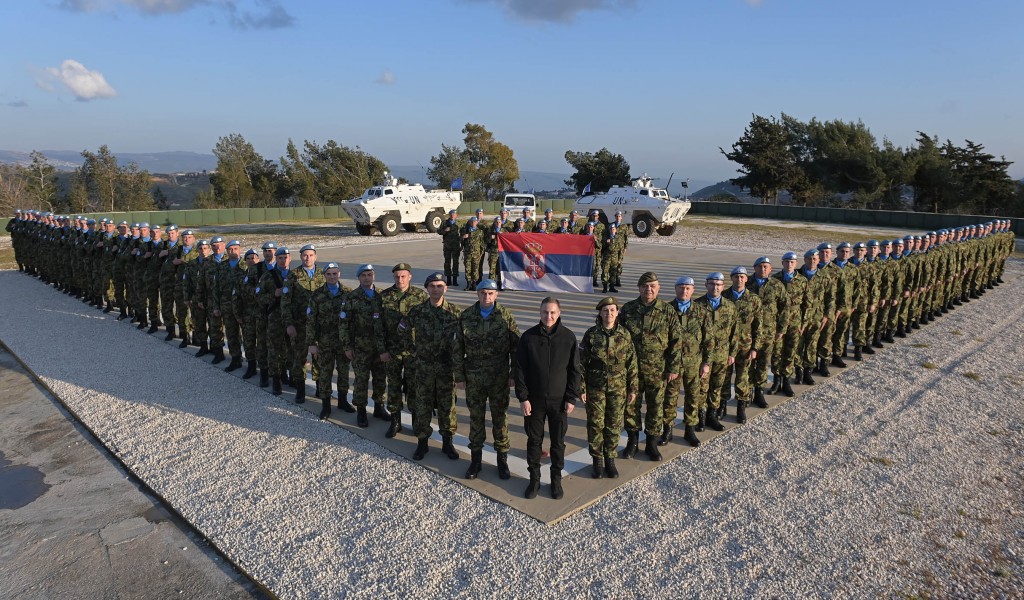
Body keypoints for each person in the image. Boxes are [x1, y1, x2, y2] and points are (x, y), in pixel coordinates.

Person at [453, 279, 520, 480]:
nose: (487, 296)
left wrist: (513, 374)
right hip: (474, 377)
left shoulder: (505, 316)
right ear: (478, 294)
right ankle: (476, 460)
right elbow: (458, 350)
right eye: (483, 293)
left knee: (500, 418)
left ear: (496, 295)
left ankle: (502, 460)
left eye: (491, 293)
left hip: (499, 377)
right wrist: (459, 377)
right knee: (476, 418)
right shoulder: (466, 316)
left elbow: (516, 349)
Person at [515, 297, 581, 500]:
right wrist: (523, 398)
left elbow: (575, 371)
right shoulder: (528, 337)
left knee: (558, 443)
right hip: (534, 402)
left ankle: (555, 480)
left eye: (552, 312)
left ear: (559, 313)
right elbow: (519, 370)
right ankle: (534, 479)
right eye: (545, 312)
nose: (548, 316)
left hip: (559, 402)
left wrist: (571, 398)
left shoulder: (568, 338)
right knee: (534, 441)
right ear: (539, 313)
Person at [400, 272, 463, 460]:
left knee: (447, 407)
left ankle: (447, 443)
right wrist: (413, 351)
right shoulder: (417, 311)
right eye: (432, 286)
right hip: (423, 369)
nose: (436, 289)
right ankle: (422, 443)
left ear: (446, 288)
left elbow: (463, 340)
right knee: (422, 406)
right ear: (427, 289)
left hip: (446, 369)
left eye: (439, 286)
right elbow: (402, 330)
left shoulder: (455, 312)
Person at [620, 271, 681, 461]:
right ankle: (632, 441)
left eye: (653, 286)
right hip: (633, 371)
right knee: (631, 406)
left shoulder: (668, 310)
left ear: (658, 288)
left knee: (656, 406)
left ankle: (652, 443)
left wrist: (673, 368)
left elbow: (676, 342)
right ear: (639, 288)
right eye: (645, 286)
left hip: (658, 370)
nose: (649, 289)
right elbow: (619, 337)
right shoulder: (628, 309)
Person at [580, 297, 637, 478]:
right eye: (605, 311)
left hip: (618, 387)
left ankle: (610, 458)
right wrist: (581, 388)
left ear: (617, 312)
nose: (609, 314)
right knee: (596, 424)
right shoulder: (591, 335)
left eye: (612, 310)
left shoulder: (624, 335)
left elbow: (632, 363)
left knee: (614, 424)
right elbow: (581, 364)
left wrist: (633, 388)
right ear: (600, 313)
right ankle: (597, 460)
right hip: (595, 387)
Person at [377, 262, 429, 437]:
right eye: (397, 276)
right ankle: (395, 421)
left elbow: (426, 324)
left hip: (413, 352)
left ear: (410, 277)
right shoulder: (384, 296)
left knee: (414, 386)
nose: (400, 279)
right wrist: (382, 350)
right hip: (392, 351)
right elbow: (378, 327)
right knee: (393, 386)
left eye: (403, 276)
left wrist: (421, 349)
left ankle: (416, 421)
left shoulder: (420, 296)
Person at [340, 264, 389, 427]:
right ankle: (361, 410)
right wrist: (347, 347)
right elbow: (344, 324)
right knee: (361, 380)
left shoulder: (382, 295)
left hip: (380, 348)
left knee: (380, 379)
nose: (367, 278)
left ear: (374, 276)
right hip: (360, 348)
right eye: (363, 275)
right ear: (359, 278)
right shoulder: (352, 297)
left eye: (369, 274)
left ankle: (379, 407)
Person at [306, 262, 351, 420]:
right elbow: (311, 320)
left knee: (344, 372)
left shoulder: (348, 293)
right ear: (324, 276)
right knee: (325, 373)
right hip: (324, 341)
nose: (332, 277)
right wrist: (311, 343)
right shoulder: (317, 295)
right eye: (329, 274)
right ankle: (325, 405)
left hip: (343, 341)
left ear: (339, 274)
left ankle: (343, 401)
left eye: (335, 273)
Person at [281, 244, 325, 402]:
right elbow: (285, 303)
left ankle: (321, 388)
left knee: (319, 357)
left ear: (315, 256)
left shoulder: (322, 274)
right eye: (305, 255)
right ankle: (300, 389)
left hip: (318, 326)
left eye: (311, 255)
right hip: (299, 325)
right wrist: (289, 324)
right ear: (301, 257)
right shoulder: (293, 275)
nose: (308, 258)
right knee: (299, 357)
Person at [438, 209, 462, 286]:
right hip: (447, 246)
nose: (452, 215)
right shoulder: (445, 223)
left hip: (456, 245)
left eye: (454, 214)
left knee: (455, 262)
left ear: (456, 215)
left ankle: (455, 279)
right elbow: (439, 231)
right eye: (451, 214)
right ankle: (448, 279)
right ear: (449, 215)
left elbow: (462, 233)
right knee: (447, 262)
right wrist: (445, 230)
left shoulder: (459, 224)